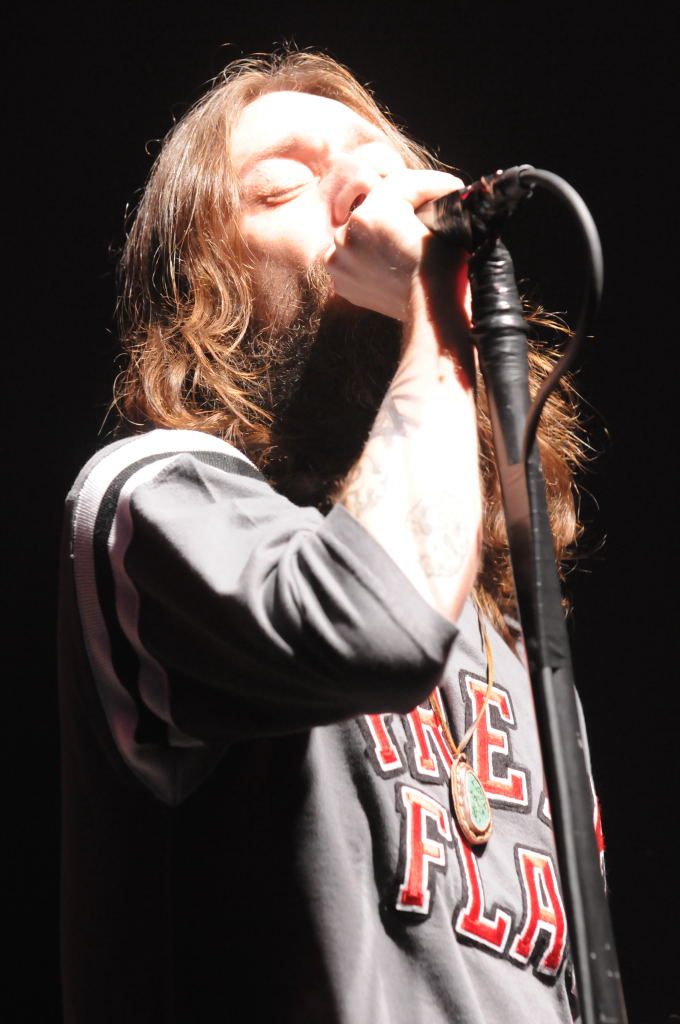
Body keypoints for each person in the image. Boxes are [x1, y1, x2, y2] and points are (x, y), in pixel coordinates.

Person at [58, 49, 596, 1023]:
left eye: (380, 163)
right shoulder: (151, 501)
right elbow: (373, 627)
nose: (362, 188)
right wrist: (434, 305)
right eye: (281, 186)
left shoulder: (508, 645)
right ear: (206, 289)